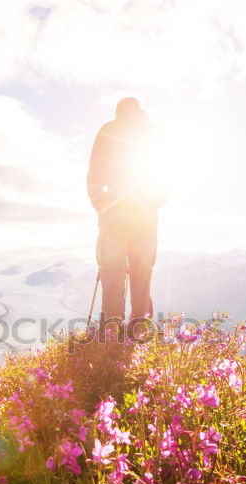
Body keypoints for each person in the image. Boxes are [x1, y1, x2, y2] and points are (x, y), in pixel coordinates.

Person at [86, 97, 169, 330]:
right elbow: (167, 177)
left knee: (112, 272)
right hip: (145, 216)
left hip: (114, 215)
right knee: (142, 273)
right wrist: (153, 203)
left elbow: (95, 173)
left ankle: (112, 332)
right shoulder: (152, 133)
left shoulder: (109, 130)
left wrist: (101, 203)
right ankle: (140, 330)